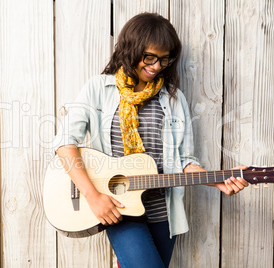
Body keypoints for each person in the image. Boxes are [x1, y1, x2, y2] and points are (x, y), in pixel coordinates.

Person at [53, 12, 249, 268]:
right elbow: (64, 143)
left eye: (164, 59)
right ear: (131, 49)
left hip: (163, 214)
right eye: (149, 57)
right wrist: (92, 196)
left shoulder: (173, 99)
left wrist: (217, 180)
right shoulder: (98, 89)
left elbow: (186, 160)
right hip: (118, 209)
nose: (156, 66)